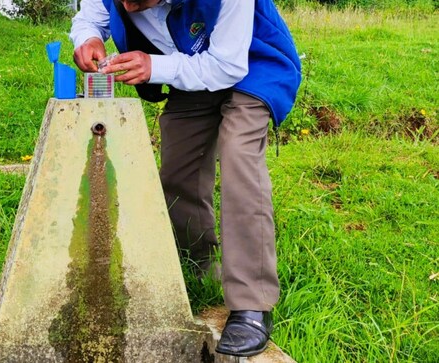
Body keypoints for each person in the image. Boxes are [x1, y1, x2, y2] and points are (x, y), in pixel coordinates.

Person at [69, 0, 301, 357]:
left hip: (253, 65)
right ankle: (200, 268)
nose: (129, 6)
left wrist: (153, 65)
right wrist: (87, 41)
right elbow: (89, 19)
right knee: (178, 170)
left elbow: (227, 64)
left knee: (239, 156)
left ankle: (251, 304)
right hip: (190, 72)